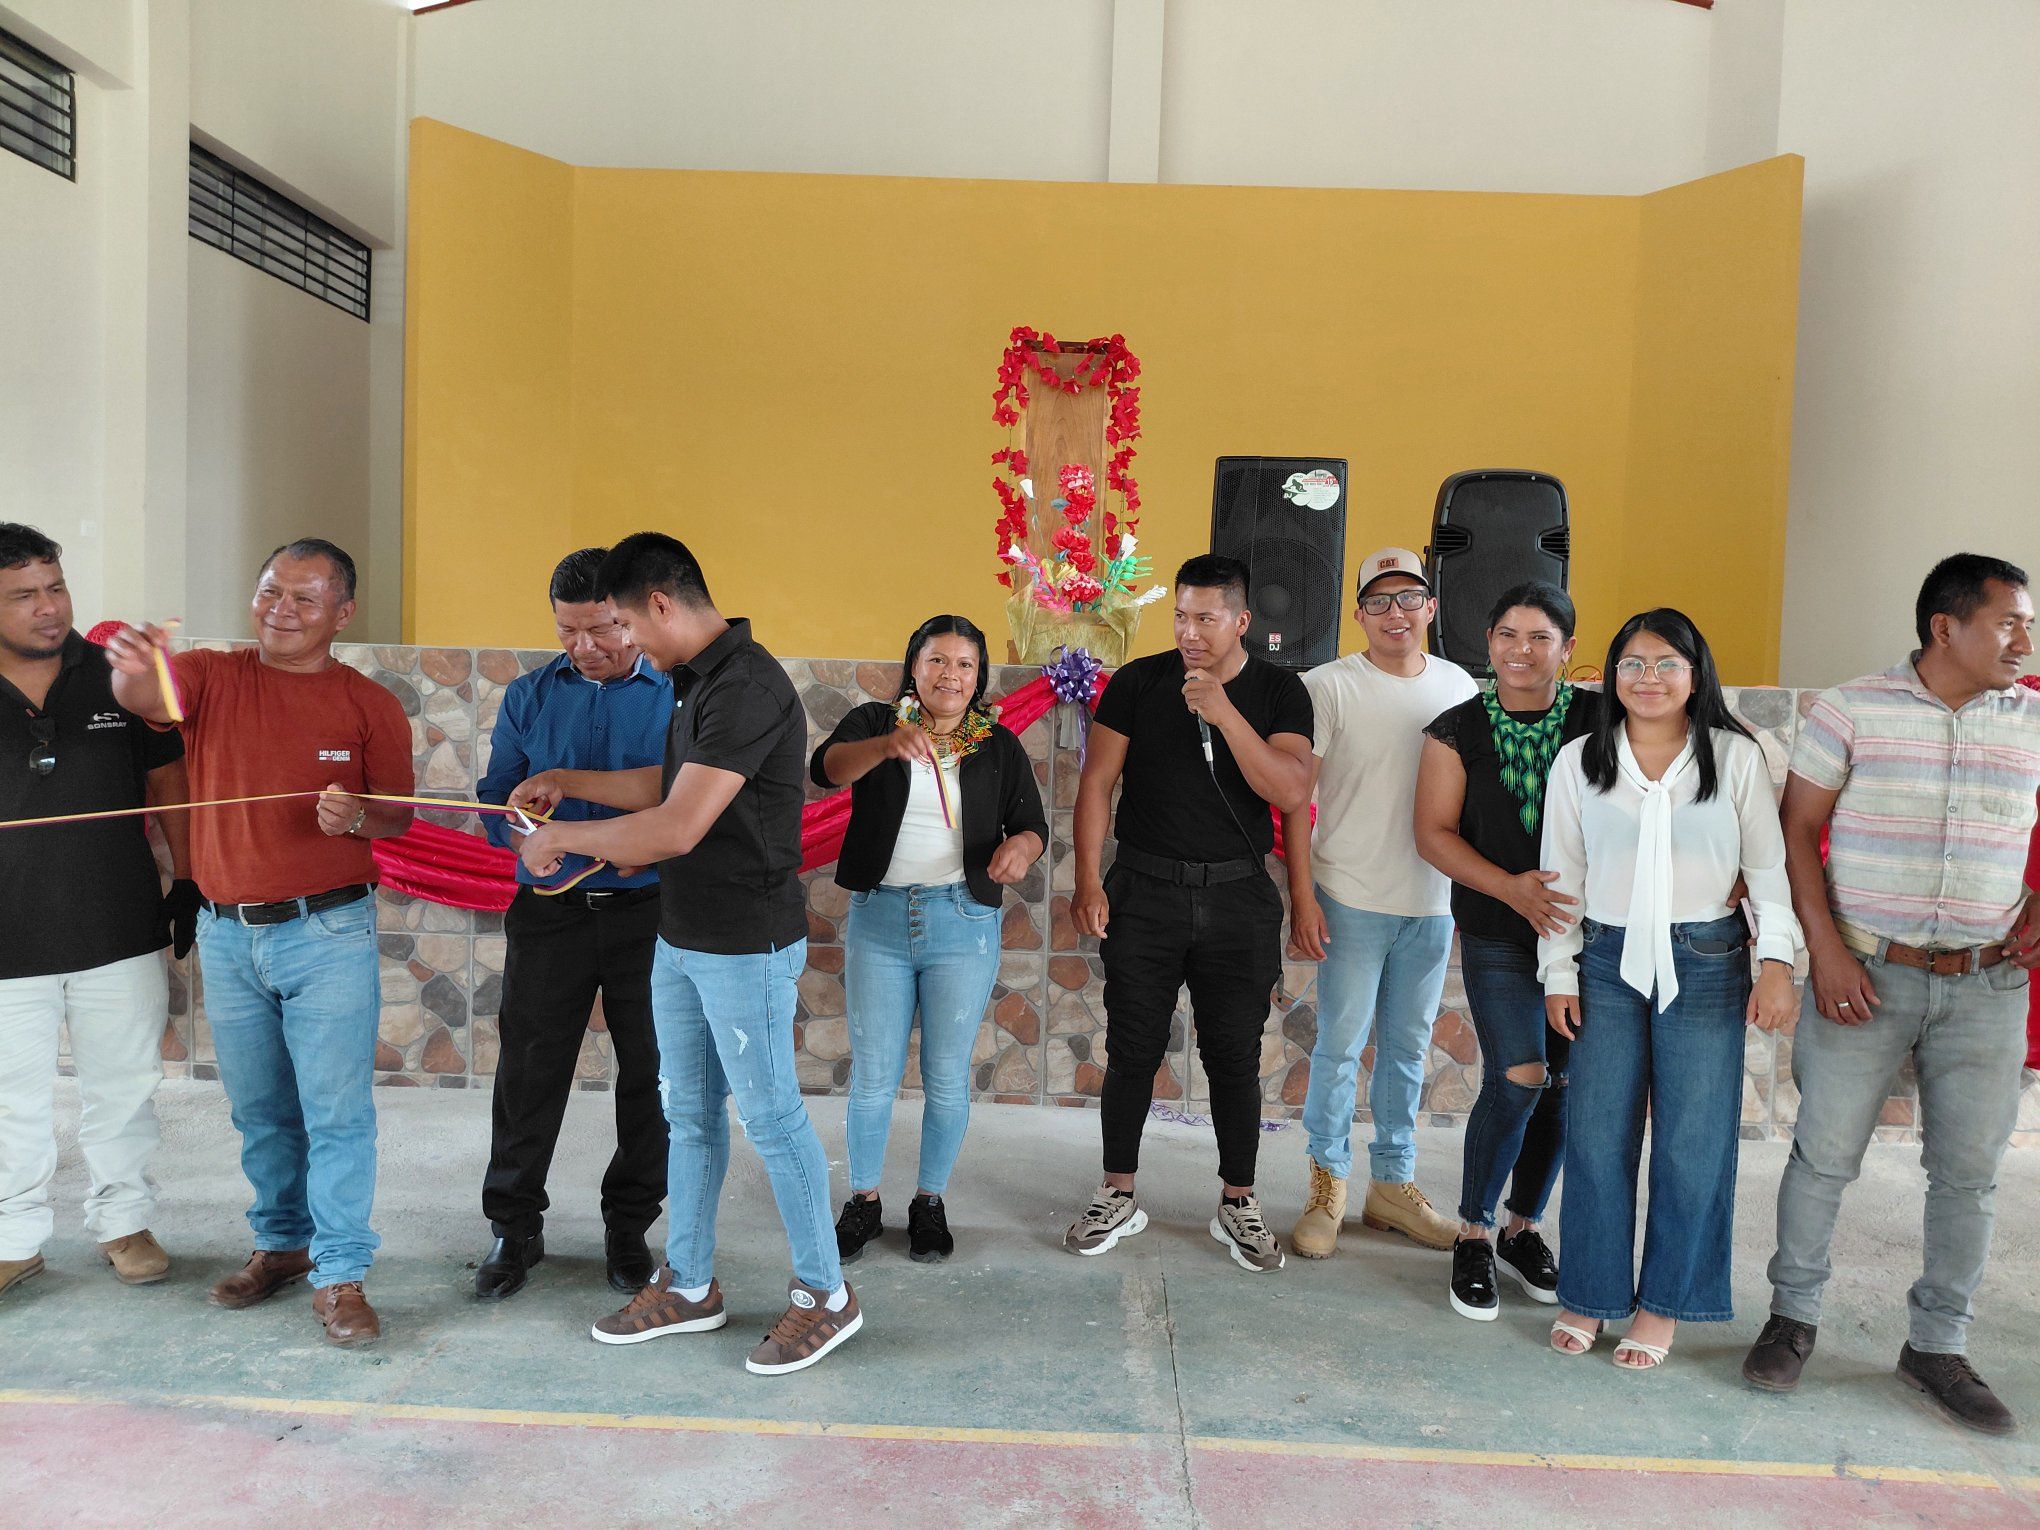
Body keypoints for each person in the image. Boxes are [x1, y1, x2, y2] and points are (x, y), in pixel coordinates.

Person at [511, 533, 859, 1375]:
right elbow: (670, 785)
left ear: (661, 605)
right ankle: (692, 1282)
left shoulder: (747, 686)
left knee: (770, 1118)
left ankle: (826, 1295)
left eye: (626, 624)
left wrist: (563, 837)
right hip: (682, 933)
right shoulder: (695, 679)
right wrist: (568, 781)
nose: (623, 642)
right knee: (689, 1116)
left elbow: (675, 827)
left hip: (745, 942)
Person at [1742, 555, 2039, 1433]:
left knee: (1969, 1176)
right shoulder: (1851, 710)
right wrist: (1825, 952)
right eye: (2009, 622)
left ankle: (1938, 1345)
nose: (2024, 641)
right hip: (1864, 977)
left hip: (1990, 982)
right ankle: (1792, 1319)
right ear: (1946, 627)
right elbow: (1796, 830)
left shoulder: (2033, 718)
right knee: (1824, 1157)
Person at [105, 539, 414, 1347]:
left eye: (305, 598)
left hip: (330, 931)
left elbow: (399, 815)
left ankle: (340, 1275)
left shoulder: (369, 704)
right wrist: (135, 664)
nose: (282, 609)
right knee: (261, 1112)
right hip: (227, 933)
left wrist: (358, 815)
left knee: (336, 1114)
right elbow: (145, 697)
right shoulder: (210, 674)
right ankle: (281, 1246)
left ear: (342, 614)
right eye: (271, 591)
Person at [1538, 609, 1800, 1370]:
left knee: (1693, 1142)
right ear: (1610, 674)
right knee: (1597, 1135)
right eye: (1632, 663)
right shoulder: (1580, 761)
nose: (1647, 678)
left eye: (1666, 664)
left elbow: (1769, 868)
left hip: (1707, 960)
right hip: (1605, 960)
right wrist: (1559, 969)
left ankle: (1664, 1304)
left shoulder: (1734, 758)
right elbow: (1562, 876)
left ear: (1695, 674)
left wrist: (1777, 961)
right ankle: (1590, 1292)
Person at [1064, 555, 1314, 1273]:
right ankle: (1117, 1191)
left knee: (1233, 1054)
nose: (1189, 632)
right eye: (1180, 616)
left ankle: (1238, 1200)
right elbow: (1097, 783)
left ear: (1241, 621)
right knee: (1133, 1048)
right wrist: (1088, 880)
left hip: (1237, 898)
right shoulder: (1138, 683)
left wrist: (1224, 713)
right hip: (1144, 891)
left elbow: (1290, 791)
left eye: (1206, 618)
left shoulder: (1280, 691)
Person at [0, 524, 199, 1299]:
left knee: (125, 1086)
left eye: (55, 587)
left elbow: (170, 779)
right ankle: (12, 1238)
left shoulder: (118, 678)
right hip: (7, 938)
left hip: (116, 924)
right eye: (23, 595)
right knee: (10, 1098)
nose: (48, 607)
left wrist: (186, 879)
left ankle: (124, 1221)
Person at [470, 548, 674, 1300]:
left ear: (636, 614)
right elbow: (497, 796)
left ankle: (630, 1227)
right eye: (567, 631)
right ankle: (514, 1227)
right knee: (529, 1071)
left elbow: (683, 800)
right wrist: (520, 837)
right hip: (548, 914)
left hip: (651, 912)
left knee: (651, 1073)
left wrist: (625, 843)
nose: (586, 646)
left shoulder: (677, 695)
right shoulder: (528, 695)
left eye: (603, 628)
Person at [814, 615, 1047, 1264]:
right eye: (937, 660)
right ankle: (863, 1201)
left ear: (979, 677)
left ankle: (929, 1202)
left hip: (962, 924)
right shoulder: (875, 722)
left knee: (946, 1078)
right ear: (914, 666)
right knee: (872, 1077)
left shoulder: (995, 744)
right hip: (880, 920)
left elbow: (1030, 824)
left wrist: (1021, 851)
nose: (950, 675)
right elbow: (827, 770)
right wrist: (889, 746)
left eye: (965, 664)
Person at [1283, 548, 1478, 1260]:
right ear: (1359, 615)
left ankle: (1392, 1185)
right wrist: (1302, 896)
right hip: (1349, 897)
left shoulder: (1459, 685)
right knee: (1339, 1048)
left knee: (1406, 1050)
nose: (1396, 613)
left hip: (1431, 902)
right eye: (1379, 601)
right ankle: (1327, 1183)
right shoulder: (1327, 687)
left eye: (1409, 599)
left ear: (1431, 607)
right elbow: (1296, 798)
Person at [1413, 581, 1600, 1320]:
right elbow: (1433, 833)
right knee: (1519, 1076)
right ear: (1487, 642)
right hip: (1498, 930)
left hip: (1588, 935)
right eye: (1507, 635)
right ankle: (1474, 1233)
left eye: (1540, 637)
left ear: (1567, 648)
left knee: (1564, 1083)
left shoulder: (1600, 718)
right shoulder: (1455, 729)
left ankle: (1523, 1228)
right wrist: (1511, 889)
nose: (1521, 650)